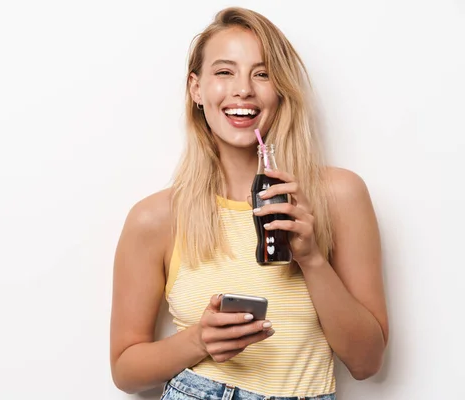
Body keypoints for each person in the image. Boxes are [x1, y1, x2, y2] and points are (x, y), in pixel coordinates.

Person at [110, 6, 389, 400]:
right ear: (196, 89)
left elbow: (367, 362)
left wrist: (311, 259)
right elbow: (125, 371)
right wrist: (198, 342)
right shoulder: (155, 218)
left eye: (262, 73)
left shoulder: (339, 196)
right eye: (224, 72)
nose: (243, 89)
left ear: (281, 89)